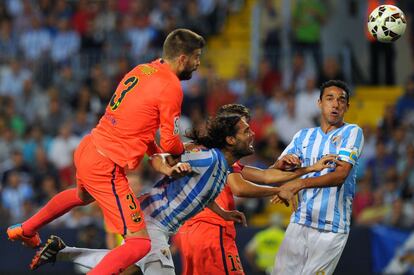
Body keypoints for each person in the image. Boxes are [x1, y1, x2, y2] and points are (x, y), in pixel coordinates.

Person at [6, 28, 206, 274]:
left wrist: (155, 154)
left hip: (90, 147)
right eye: (196, 57)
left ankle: (26, 228)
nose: (198, 64)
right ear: (183, 58)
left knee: (81, 197)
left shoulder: (142, 70)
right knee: (140, 244)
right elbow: (171, 143)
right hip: (106, 167)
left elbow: (138, 127)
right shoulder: (171, 86)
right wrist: (182, 151)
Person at [29, 112, 296, 275]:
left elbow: (203, 195)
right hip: (152, 223)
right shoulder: (208, 160)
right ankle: (62, 252)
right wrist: (172, 166)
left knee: (133, 269)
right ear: (229, 140)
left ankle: (62, 252)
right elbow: (168, 156)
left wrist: (223, 211)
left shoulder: (221, 169)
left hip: (155, 221)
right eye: (246, 131)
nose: (252, 134)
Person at [178, 104, 336, 275]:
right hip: (211, 231)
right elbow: (240, 188)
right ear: (228, 136)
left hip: (192, 232)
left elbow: (265, 176)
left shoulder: (210, 153)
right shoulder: (219, 156)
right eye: (246, 129)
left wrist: (309, 169)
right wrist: (279, 190)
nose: (252, 133)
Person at [271, 80, 364, 275]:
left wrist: (299, 184)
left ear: (347, 107)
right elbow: (275, 172)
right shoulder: (303, 136)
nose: (335, 104)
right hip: (300, 222)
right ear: (319, 103)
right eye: (330, 98)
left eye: (341, 100)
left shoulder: (352, 132)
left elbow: (340, 175)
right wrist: (283, 168)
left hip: (331, 228)